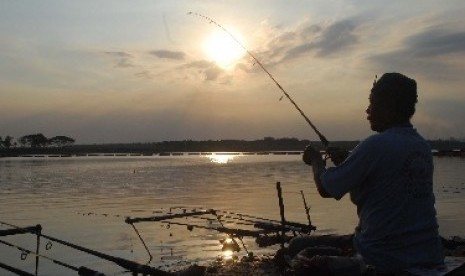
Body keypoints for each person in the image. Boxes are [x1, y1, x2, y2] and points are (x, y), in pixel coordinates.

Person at [288, 73, 445, 275]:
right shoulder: (421, 146)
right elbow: (385, 185)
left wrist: (315, 161)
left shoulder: (375, 145)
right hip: (428, 254)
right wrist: (347, 162)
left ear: (388, 106)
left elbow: (326, 188)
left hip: (382, 256)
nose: (368, 111)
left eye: (373, 104)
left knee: (295, 246)